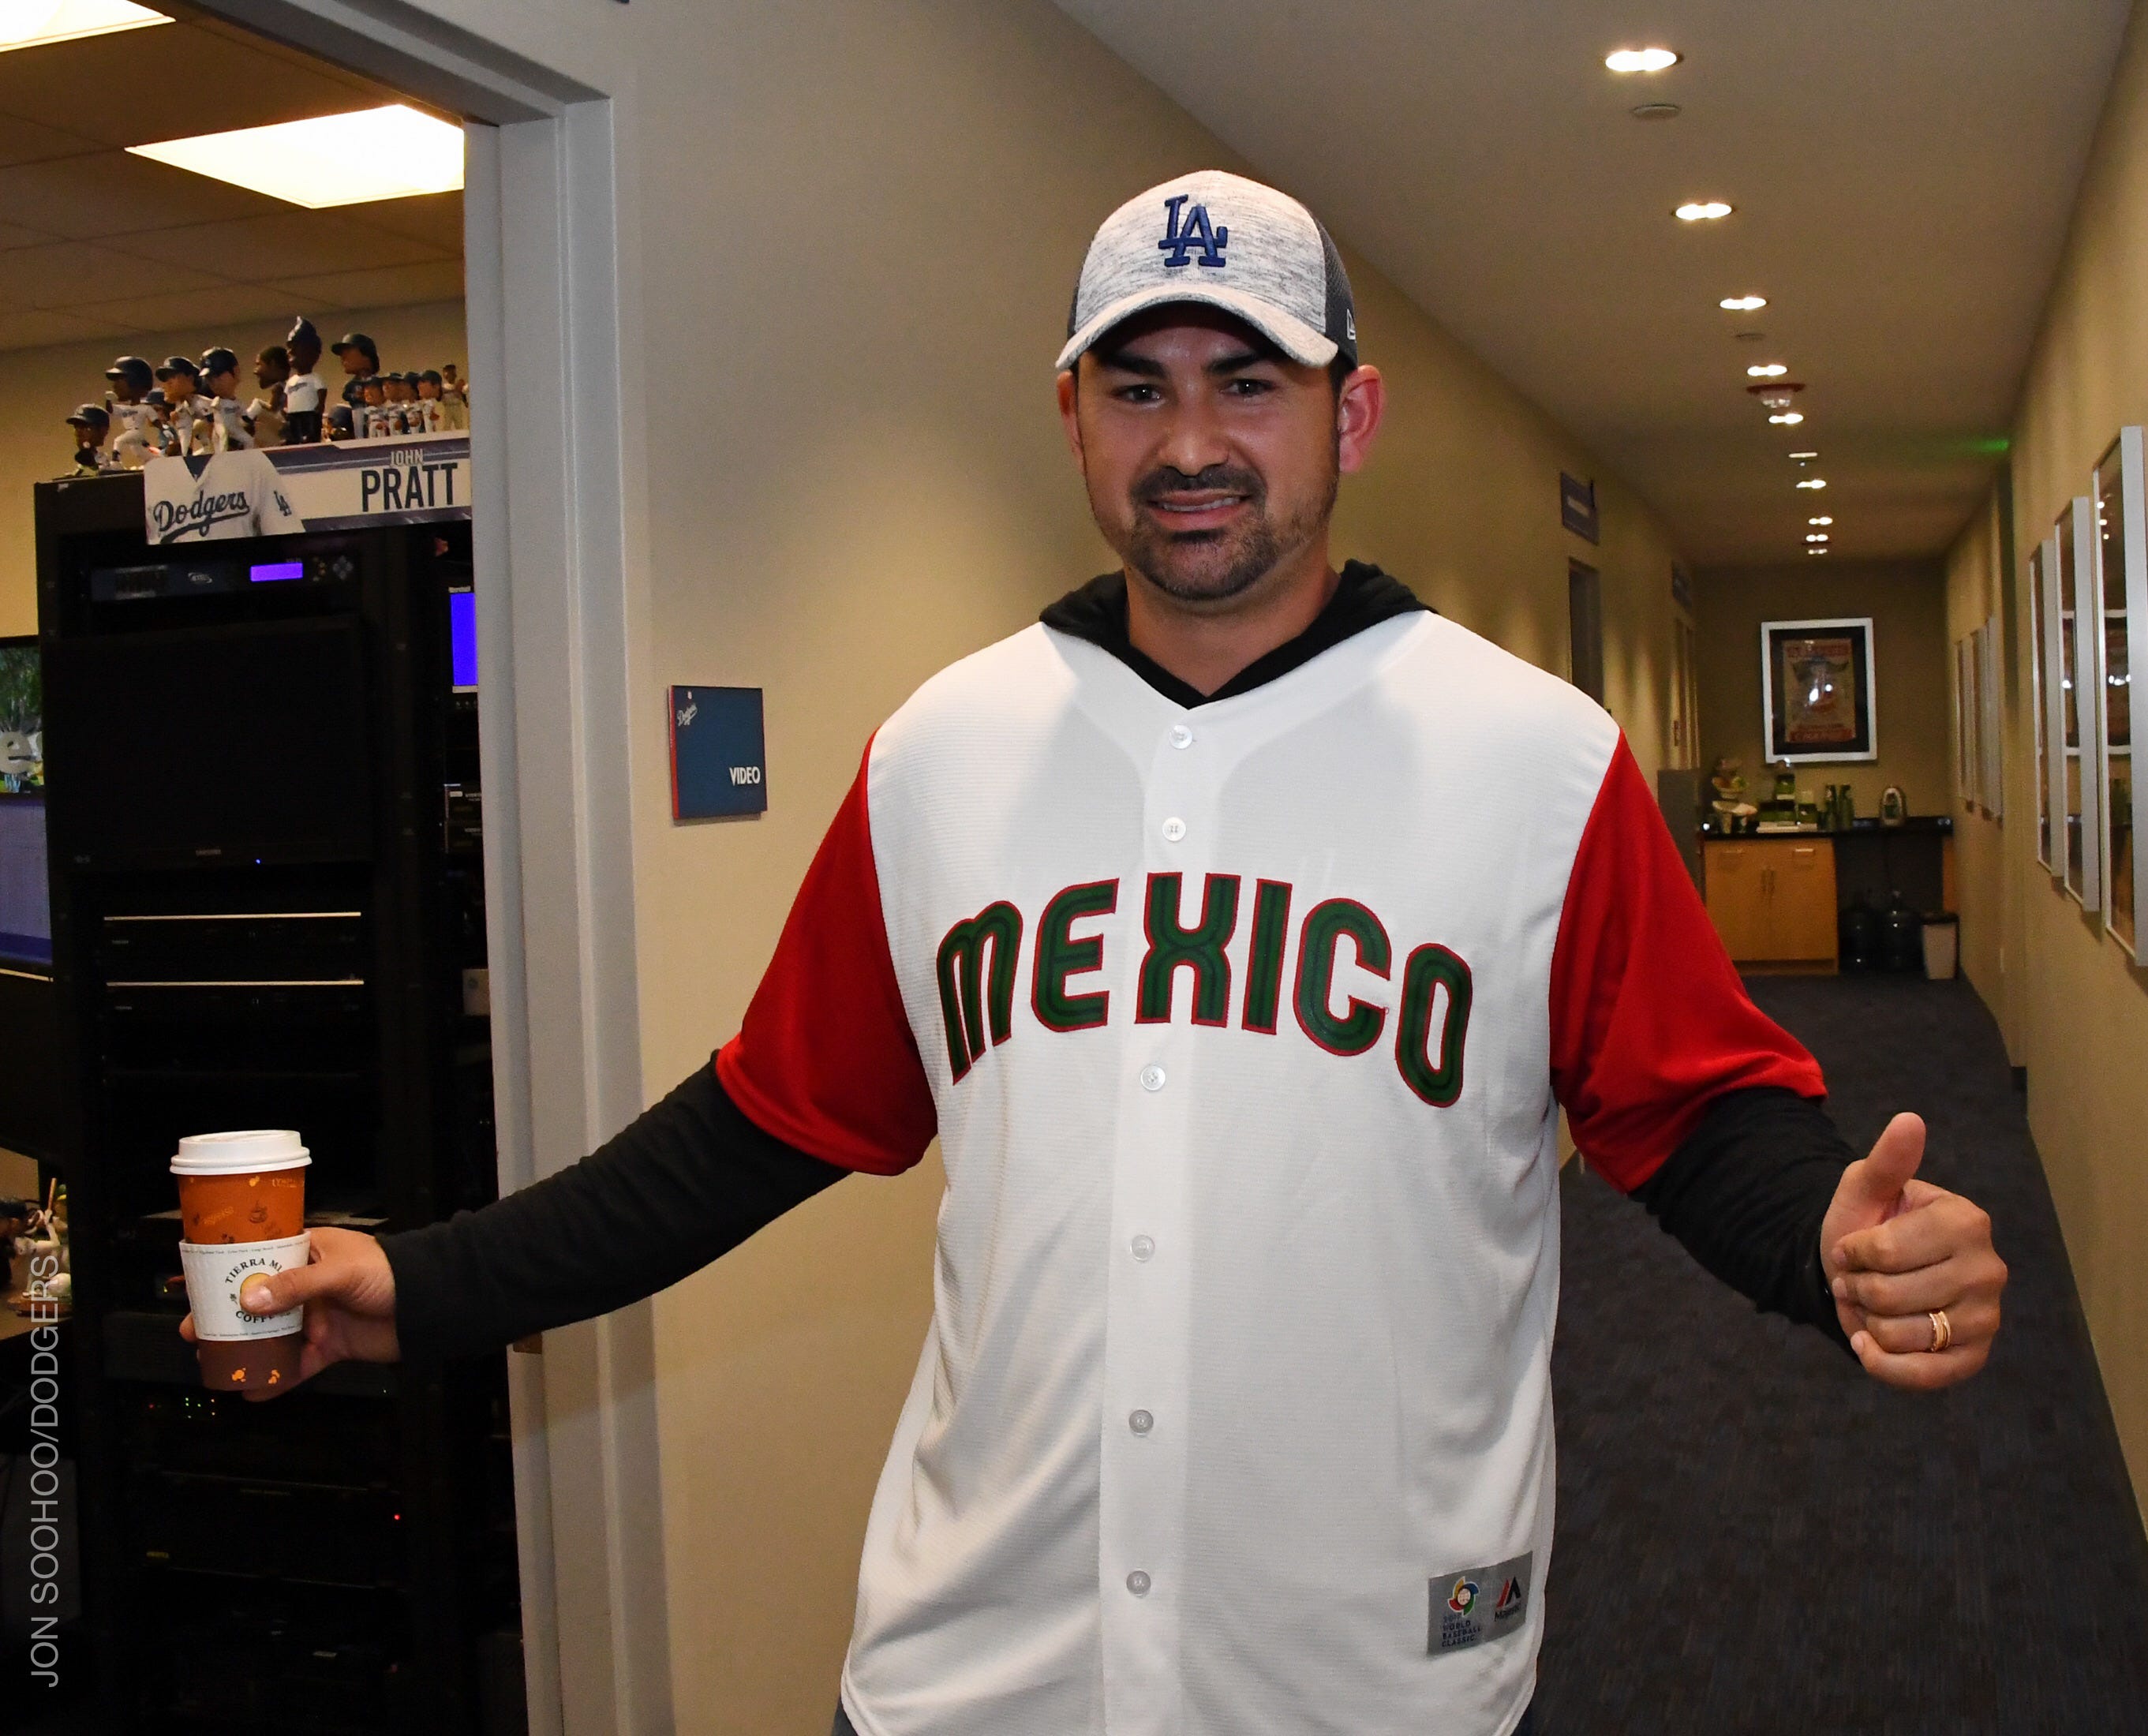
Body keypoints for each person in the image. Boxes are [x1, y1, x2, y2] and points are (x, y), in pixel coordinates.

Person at [196, 170, 2007, 1736]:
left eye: (1247, 383)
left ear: (1348, 413)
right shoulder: (944, 752)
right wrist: (425, 1282)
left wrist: (1825, 1244)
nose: (1190, 441)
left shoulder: (1528, 757)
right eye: (1135, 387)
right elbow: (762, 1119)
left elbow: (1690, 1111)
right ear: (1069, 414)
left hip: (1363, 1668)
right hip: (974, 1664)